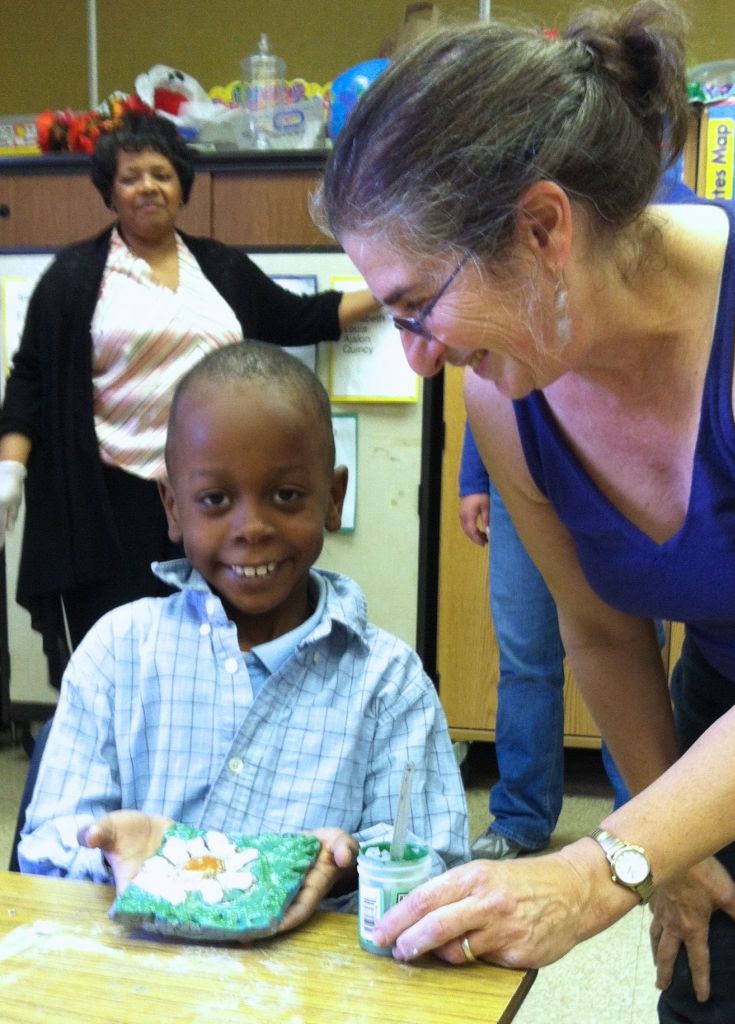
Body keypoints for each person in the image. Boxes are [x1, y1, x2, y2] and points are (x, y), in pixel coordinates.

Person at [316, 4, 735, 1022]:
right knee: (707, 982)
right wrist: (659, 857)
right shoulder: (504, 394)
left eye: (419, 304)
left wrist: (599, 867)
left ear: (546, 226)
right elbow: (601, 632)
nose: (416, 354)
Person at [18, 342, 469, 926]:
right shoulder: (117, 652)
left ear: (333, 498)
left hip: (310, 996)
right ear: (173, 507)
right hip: (137, 986)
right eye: (215, 500)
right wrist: (116, 857)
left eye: (285, 495)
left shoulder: (388, 683)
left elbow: (437, 862)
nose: (251, 528)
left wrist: (351, 864)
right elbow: (45, 845)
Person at [0, 112, 379, 670]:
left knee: (219, 646)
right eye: (130, 177)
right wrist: (12, 469)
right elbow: (29, 376)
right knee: (127, 656)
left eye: (161, 174)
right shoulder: (74, 277)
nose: (148, 187)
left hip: (216, 494)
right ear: (110, 192)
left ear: (181, 186)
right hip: (112, 501)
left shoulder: (219, 267)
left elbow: (302, 318)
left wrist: (396, 285)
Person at [459, 421, 631, 861]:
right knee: (524, 658)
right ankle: (521, 818)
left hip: (616, 473)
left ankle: (637, 821)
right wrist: (474, 478)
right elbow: (487, 370)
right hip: (515, 477)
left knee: (630, 654)